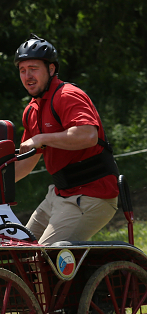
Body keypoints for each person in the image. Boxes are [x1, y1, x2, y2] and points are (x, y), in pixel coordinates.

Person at [13, 34, 119, 245]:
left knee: (43, 256)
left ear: (51, 69)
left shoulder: (67, 95)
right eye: (22, 71)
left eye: (33, 69)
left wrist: (42, 137)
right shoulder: (32, 110)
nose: (27, 76)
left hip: (93, 196)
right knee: (19, 250)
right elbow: (26, 162)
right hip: (58, 195)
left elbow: (88, 135)